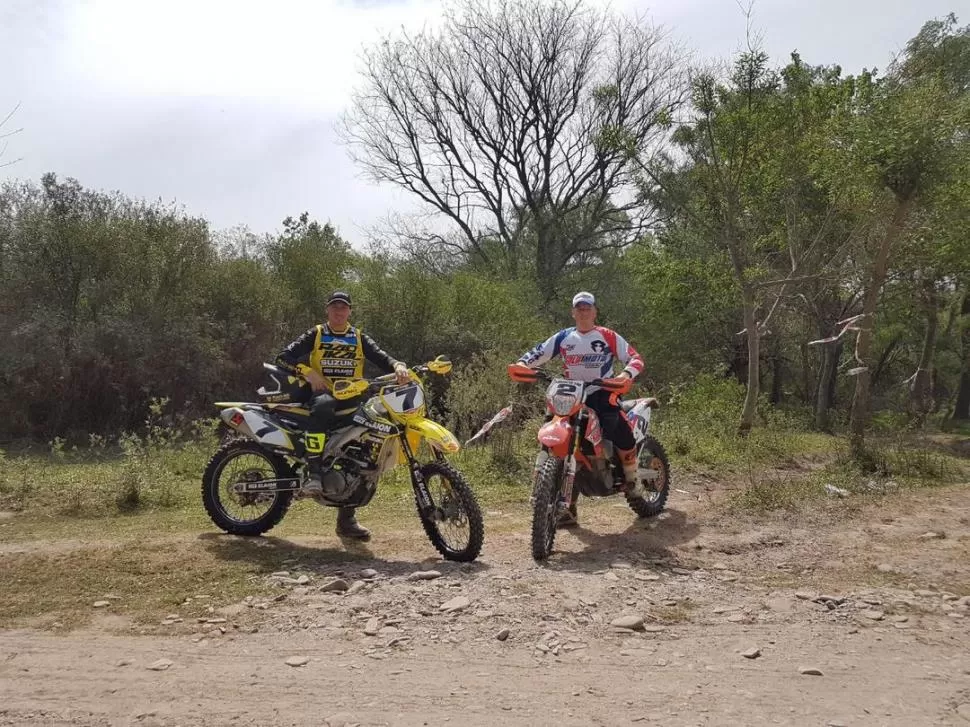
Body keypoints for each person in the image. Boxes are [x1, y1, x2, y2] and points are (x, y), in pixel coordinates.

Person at [275, 290, 409, 541]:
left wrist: (398, 366)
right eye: (335, 307)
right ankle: (314, 473)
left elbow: (382, 357)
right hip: (323, 395)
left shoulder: (358, 337)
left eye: (343, 307)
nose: (339, 311)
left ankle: (346, 521)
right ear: (327, 310)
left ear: (349, 311)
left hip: (353, 398)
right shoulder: (316, 333)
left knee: (360, 454)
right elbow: (282, 358)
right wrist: (307, 373)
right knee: (322, 408)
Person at [512, 291, 645, 526]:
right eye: (579, 308)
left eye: (587, 308)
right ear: (573, 312)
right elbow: (536, 354)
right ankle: (567, 508)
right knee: (559, 439)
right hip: (569, 393)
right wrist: (522, 364)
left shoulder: (607, 335)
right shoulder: (564, 337)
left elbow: (635, 358)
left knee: (615, 426)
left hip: (601, 391)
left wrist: (625, 374)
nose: (583, 312)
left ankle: (632, 477)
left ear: (594, 312)